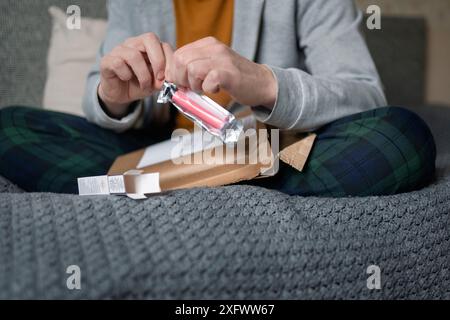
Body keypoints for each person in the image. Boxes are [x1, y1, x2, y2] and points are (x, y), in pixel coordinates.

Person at [0, 0, 436, 196]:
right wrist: (114, 97)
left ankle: (158, 190)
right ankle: (219, 188)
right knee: (11, 127)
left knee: (402, 136)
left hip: (268, 156)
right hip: (155, 152)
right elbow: (104, 91)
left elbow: (364, 91)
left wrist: (264, 82)